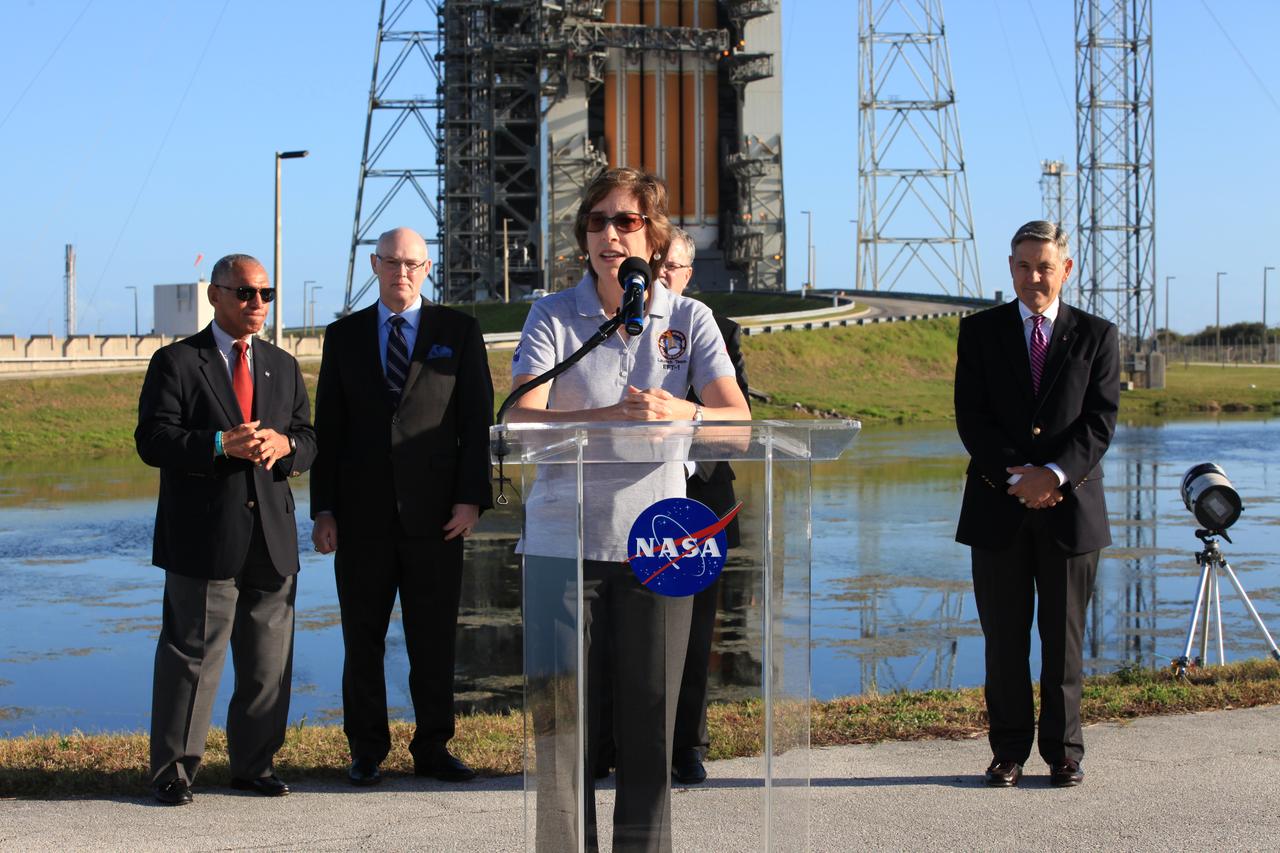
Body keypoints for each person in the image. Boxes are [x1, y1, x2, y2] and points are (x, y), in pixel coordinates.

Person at [509, 167, 751, 852]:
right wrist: (609, 414)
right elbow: (523, 419)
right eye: (597, 222)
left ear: (655, 233)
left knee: (650, 730)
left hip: (658, 544)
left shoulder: (690, 319)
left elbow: (738, 427)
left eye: (626, 221)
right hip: (560, 544)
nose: (610, 234)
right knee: (562, 733)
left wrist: (685, 411)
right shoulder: (551, 315)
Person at [310, 226, 494, 787]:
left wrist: (472, 500)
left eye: (412, 263)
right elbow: (330, 430)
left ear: (428, 267)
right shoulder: (343, 337)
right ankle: (366, 749)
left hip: (436, 517)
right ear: (373, 264)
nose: (401, 272)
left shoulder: (457, 331)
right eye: (391, 262)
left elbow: (475, 423)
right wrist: (324, 510)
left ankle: (434, 746)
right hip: (361, 520)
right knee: (361, 640)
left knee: (432, 639)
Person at [136, 253, 316, 806]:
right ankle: (173, 771)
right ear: (214, 295)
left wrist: (285, 447)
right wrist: (219, 445)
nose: (256, 304)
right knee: (192, 658)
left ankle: (254, 765)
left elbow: (310, 439)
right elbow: (154, 441)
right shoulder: (176, 363)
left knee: (267, 662)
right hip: (204, 539)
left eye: (265, 294)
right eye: (244, 293)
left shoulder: (283, 366)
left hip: (273, 538)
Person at [954, 220, 1120, 789]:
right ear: (1010, 268)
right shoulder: (978, 333)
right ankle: (1008, 753)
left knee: (1063, 641)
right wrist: (1016, 479)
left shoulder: (1097, 335)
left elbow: (1100, 422)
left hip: (1071, 512)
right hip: (997, 510)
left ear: (1065, 270)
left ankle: (1065, 752)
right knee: (1004, 641)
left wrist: (1051, 475)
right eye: (1023, 266)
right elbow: (971, 418)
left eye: (1045, 267)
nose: (1034, 278)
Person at [658, 227, 750, 785]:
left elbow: (734, 418)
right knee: (626, 632)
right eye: (658, 264)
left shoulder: (714, 329)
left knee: (695, 636)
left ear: (691, 274)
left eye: (676, 267)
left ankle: (686, 745)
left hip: (701, 503)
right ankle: (610, 742)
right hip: (631, 499)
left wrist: (677, 412)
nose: (665, 274)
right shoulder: (620, 327)